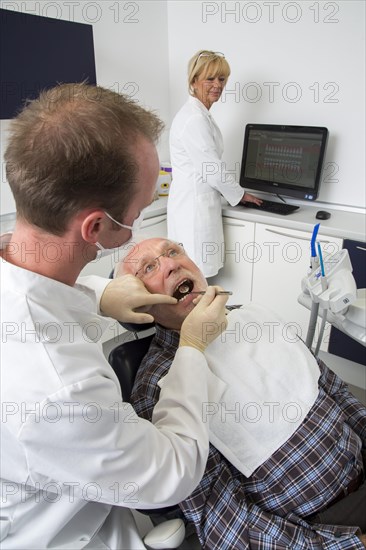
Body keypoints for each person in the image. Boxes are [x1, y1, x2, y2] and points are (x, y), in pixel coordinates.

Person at [0, 83, 232, 549]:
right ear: (97, 226)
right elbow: (172, 473)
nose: (167, 264)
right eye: (142, 210)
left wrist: (101, 292)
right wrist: (190, 349)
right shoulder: (59, 386)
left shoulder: (25, 260)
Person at [117, 237, 366, 550]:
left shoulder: (255, 316)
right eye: (150, 268)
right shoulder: (159, 388)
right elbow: (226, 523)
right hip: (314, 529)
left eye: (173, 251)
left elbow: (335, 391)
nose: (170, 263)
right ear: (138, 304)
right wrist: (348, 545)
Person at [167, 49, 262, 278]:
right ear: (194, 80)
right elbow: (212, 168)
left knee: (192, 275)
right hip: (193, 208)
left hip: (195, 202)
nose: (217, 85)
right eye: (210, 78)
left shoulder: (200, 115)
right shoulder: (194, 119)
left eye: (222, 79)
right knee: (193, 276)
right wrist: (240, 195)